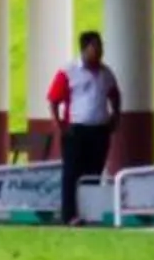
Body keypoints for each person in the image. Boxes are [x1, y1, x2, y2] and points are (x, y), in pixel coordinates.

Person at [48, 30, 122, 225]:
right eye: (95, 47)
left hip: (99, 129)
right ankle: (70, 214)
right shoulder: (68, 71)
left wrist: (115, 116)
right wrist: (59, 124)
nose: (99, 51)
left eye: (101, 47)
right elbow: (54, 99)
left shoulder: (106, 73)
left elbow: (115, 95)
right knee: (72, 172)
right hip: (76, 129)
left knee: (94, 171)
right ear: (84, 49)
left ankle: (90, 212)